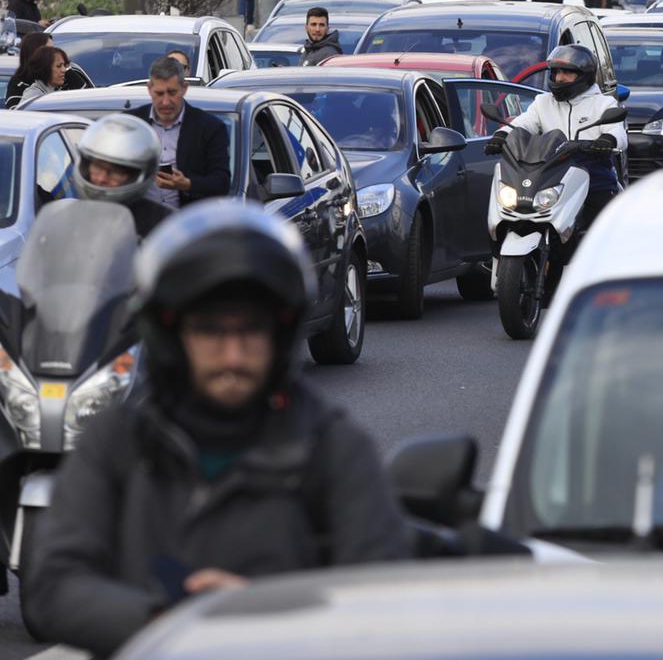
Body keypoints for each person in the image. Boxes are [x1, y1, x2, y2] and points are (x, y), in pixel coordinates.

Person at [25, 204, 408, 657]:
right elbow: (53, 585)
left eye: (251, 331)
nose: (232, 355)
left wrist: (262, 616)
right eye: (210, 332)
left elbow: (385, 600)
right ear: (173, 335)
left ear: (279, 334)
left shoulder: (334, 447)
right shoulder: (117, 439)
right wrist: (169, 620)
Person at [483, 46, 626, 227]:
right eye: (556, 72)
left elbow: (617, 131)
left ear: (584, 75)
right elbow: (524, 123)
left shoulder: (603, 103)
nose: (559, 78)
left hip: (593, 177)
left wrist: (607, 140)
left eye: (567, 73)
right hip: (550, 176)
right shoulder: (543, 102)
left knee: (604, 227)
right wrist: (501, 136)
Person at [134, 58, 231, 208]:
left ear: (184, 88)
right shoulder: (132, 123)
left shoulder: (210, 128)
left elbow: (221, 182)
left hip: (190, 224)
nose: (166, 102)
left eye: (172, 93)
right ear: (149, 89)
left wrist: (188, 184)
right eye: (159, 94)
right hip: (138, 224)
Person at [69, 114, 173, 237]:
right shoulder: (67, 217)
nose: (102, 178)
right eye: (97, 167)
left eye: (115, 172)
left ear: (137, 175)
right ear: (85, 165)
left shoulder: (165, 226)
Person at [4, 32, 51, 107]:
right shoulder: (19, 83)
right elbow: (17, 114)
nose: (55, 54)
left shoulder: (64, 74)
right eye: (49, 51)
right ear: (35, 53)